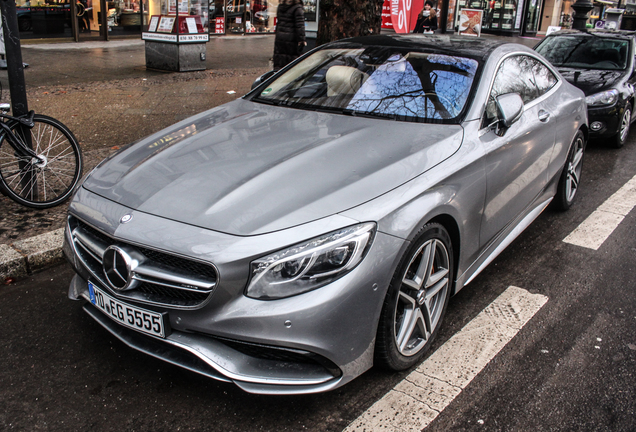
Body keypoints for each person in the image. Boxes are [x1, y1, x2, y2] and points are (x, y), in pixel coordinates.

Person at [273, 0, 306, 70]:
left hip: (280, 38)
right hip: (292, 38)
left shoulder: (281, 6)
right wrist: (302, 40)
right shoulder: (297, 8)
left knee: (280, 59)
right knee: (292, 62)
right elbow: (300, 25)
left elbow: (279, 22)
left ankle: (277, 76)